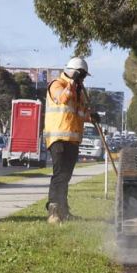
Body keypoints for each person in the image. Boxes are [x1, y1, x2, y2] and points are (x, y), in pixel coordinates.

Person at [42, 56, 92, 224]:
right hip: (57, 137)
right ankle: (53, 211)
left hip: (72, 140)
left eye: (84, 77)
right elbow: (62, 98)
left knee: (66, 175)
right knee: (59, 174)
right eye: (81, 75)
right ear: (73, 73)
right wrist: (72, 82)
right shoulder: (57, 84)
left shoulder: (78, 92)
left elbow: (80, 114)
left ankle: (63, 209)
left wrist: (92, 117)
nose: (83, 80)